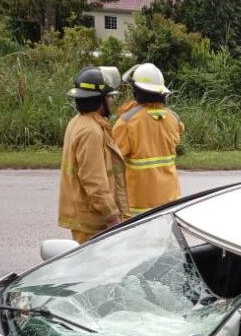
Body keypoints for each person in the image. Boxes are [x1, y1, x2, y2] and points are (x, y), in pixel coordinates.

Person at [57, 66, 128, 244]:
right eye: (110, 96)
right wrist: (112, 217)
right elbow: (93, 180)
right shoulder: (91, 131)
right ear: (100, 100)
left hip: (88, 217)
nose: (112, 101)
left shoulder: (80, 122)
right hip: (94, 221)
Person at [113, 63, 184, 218]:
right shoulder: (174, 119)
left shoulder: (126, 122)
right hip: (170, 199)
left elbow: (113, 160)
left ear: (136, 91)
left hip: (139, 205)